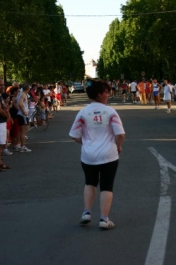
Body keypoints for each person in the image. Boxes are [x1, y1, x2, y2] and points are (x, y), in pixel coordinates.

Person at [69, 79, 125, 230]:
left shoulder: (83, 112)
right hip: (109, 154)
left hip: (88, 155)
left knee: (90, 182)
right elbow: (120, 133)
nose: (108, 95)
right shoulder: (110, 112)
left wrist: (86, 143)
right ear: (100, 95)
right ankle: (104, 219)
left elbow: (74, 134)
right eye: (106, 92)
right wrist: (119, 146)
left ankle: (87, 212)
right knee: (107, 186)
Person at [15, 83, 32, 153]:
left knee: (22, 130)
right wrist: (23, 111)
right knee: (23, 131)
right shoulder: (23, 94)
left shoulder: (20, 94)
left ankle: (18, 144)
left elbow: (16, 102)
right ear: (28, 89)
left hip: (20, 114)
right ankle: (22, 146)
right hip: (22, 115)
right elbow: (20, 104)